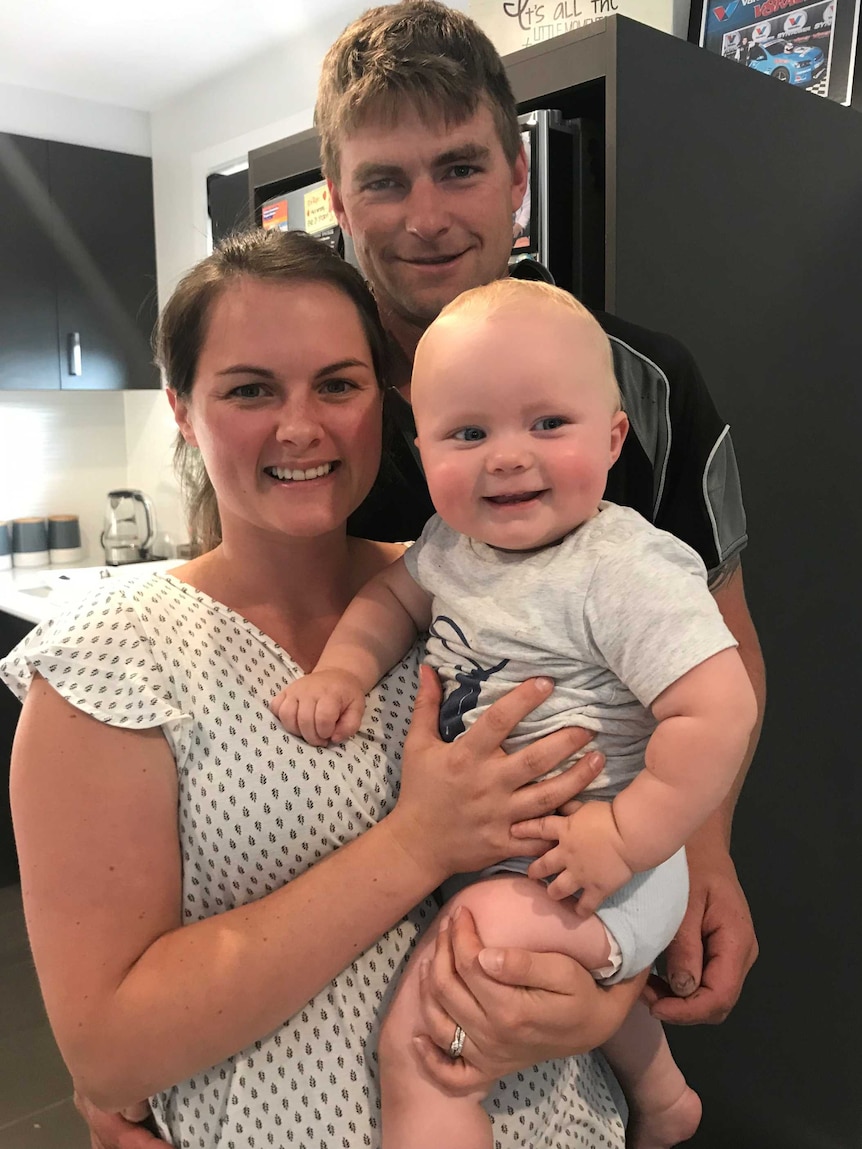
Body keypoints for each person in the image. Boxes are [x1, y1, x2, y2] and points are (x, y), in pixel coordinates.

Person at [74, 0, 766, 1142]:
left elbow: (721, 643)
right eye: (386, 181)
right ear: (339, 201)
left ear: (516, 179)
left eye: (459, 168)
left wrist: (703, 855)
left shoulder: (635, 382)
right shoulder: (322, 394)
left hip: (564, 879)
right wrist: (127, 1071)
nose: (427, 216)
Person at [1, 229, 651, 1149]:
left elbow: (616, 822)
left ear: (385, 404)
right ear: (183, 408)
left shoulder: (477, 592)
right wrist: (418, 845)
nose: (300, 426)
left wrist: (603, 1003)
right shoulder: (114, 657)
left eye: (337, 384)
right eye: (250, 389)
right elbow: (108, 1050)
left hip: (569, 1119)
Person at [273, 278, 758, 1149]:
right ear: (421, 451)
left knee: (424, 1026)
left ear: (613, 439)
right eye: (468, 432)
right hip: (512, 857)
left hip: (607, 868)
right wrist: (345, 668)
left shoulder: (624, 567)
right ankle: (662, 1092)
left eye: (547, 425)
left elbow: (721, 707)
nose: (506, 455)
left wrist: (622, 836)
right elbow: (393, 602)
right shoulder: (451, 549)